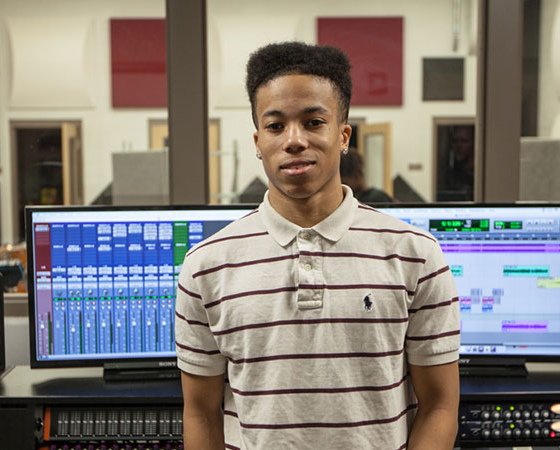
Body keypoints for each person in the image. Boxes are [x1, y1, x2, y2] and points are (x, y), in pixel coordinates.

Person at [175, 41, 460, 449]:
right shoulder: (206, 266)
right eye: (275, 126)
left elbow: (440, 405)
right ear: (258, 142)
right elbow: (200, 413)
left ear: (343, 135)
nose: (294, 140)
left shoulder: (415, 255)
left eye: (313, 122)